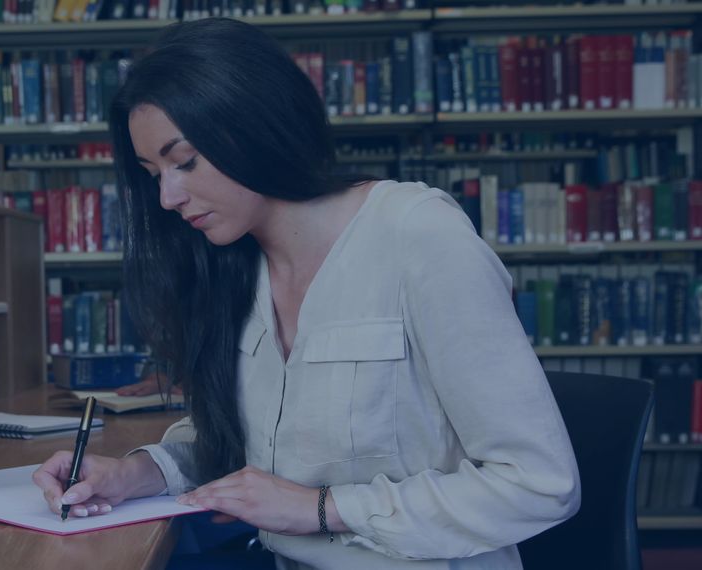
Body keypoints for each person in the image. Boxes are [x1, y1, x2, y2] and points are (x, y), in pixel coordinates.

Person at [33, 17, 580, 570]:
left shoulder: (418, 236)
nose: (169, 196)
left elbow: (539, 484)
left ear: (255, 125)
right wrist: (135, 472)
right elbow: (232, 435)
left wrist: (321, 509)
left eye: (186, 162)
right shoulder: (234, 264)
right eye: (154, 173)